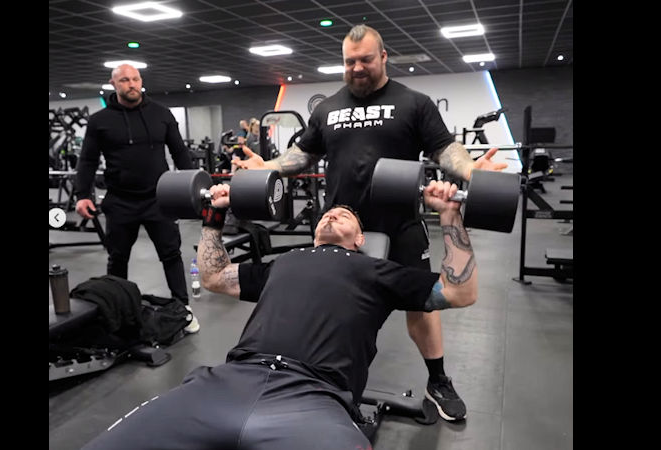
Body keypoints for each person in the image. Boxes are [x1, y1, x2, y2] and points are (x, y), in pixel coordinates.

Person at [233, 24, 508, 421]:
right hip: (342, 229)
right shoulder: (327, 108)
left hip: (401, 224)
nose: (357, 68)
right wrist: (268, 167)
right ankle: (323, 379)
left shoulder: (413, 103)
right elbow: (303, 154)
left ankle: (437, 380)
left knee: (422, 306)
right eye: (350, 61)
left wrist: (471, 172)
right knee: (332, 300)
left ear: (383, 56)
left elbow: (444, 149)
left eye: (365, 59)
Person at [82, 180, 478, 450]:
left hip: (312, 398)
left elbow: (459, 291)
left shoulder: (377, 270)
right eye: (328, 214)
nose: (332, 215)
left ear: (361, 239)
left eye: (344, 215)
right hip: (225, 383)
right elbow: (215, 276)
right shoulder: (285, 262)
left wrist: (449, 215)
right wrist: (213, 217)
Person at [74, 63, 200, 334]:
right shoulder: (100, 121)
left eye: (135, 79)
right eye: (124, 80)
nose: (131, 84)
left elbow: (180, 153)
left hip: (159, 198)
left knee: (171, 254)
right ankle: (116, 310)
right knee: (117, 258)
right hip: (120, 201)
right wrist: (82, 195)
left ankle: (183, 309)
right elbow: (87, 160)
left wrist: (192, 188)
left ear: (141, 81)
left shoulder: (161, 114)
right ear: (113, 84)